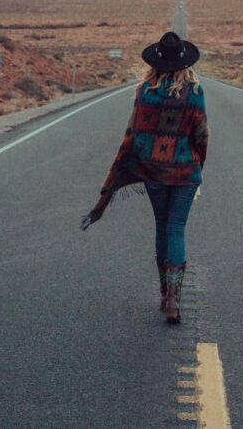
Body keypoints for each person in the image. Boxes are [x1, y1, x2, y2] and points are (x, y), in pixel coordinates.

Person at [80, 31, 209, 324]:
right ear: (184, 63)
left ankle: (165, 292)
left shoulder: (145, 92)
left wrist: (140, 161)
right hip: (186, 172)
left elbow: (133, 134)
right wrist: (197, 162)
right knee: (177, 229)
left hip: (154, 172)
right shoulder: (195, 92)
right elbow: (201, 134)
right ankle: (174, 300)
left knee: (162, 228)